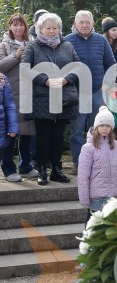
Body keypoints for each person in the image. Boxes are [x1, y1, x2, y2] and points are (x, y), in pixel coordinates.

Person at [21, 12, 79, 185]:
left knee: (58, 136)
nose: (52, 31)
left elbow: (78, 67)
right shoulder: (32, 47)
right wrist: (44, 80)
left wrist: (66, 79)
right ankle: (42, 170)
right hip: (41, 97)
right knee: (43, 136)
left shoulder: (67, 46)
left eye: (55, 28)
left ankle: (56, 169)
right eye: (48, 28)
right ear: (40, 29)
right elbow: (25, 69)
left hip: (63, 97)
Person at [65, 10, 117, 169]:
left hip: (97, 91)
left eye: (87, 22)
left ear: (93, 23)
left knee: (99, 127)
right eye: (81, 22)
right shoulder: (67, 41)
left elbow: (111, 64)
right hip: (77, 92)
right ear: (75, 24)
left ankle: (99, 160)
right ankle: (78, 161)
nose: (84, 25)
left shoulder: (101, 40)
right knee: (77, 129)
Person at [0, 13, 36, 182]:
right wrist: (16, 56)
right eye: (15, 25)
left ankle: (25, 166)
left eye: (21, 25)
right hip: (10, 95)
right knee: (10, 132)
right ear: (10, 27)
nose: (19, 28)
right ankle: (8, 169)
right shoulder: (4, 45)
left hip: (29, 94)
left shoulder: (33, 43)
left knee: (27, 133)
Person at [77, 106, 117, 213]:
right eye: (101, 125)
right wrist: (84, 198)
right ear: (96, 126)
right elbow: (83, 175)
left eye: (108, 125)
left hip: (115, 196)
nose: (105, 128)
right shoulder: (88, 148)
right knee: (95, 223)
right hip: (97, 197)